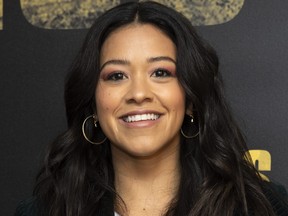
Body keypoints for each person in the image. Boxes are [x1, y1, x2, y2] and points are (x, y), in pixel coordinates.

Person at [15, 1, 288, 216]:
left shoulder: (265, 208)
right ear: (94, 105)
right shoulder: (43, 212)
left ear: (190, 98)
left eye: (160, 72)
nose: (138, 94)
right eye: (116, 76)